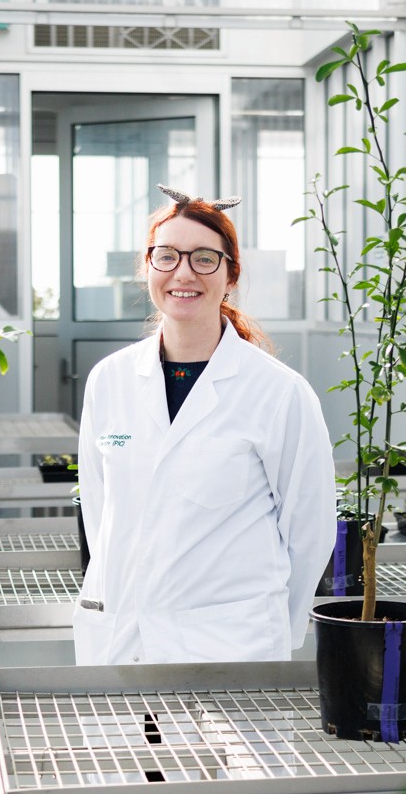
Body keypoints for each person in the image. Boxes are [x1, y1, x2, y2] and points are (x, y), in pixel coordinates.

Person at [73, 185, 336, 665]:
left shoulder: (278, 392)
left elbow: (310, 532)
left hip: (231, 642)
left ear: (231, 274)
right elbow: (99, 511)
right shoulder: (109, 380)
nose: (183, 273)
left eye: (204, 259)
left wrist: (270, 622)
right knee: (122, 743)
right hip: (120, 635)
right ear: (147, 267)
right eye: (167, 256)